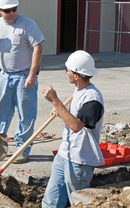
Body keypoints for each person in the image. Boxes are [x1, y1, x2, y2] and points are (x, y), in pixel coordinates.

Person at [0, 0, 45, 163]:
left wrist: (32, 74)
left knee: (26, 114)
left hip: (24, 75)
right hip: (5, 76)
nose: (12, 13)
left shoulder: (27, 24)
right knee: (0, 112)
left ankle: (23, 149)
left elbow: (38, 47)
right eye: (8, 10)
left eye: (14, 8)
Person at [41, 50, 105, 207]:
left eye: (68, 70)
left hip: (80, 161)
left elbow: (76, 126)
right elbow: (74, 118)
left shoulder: (93, 99)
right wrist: (61, 111)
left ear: (76, 75)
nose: (66, 72)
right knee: (51, 201)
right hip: (65, 154)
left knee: (78, 202)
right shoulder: (79, 90)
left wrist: (56, 101)